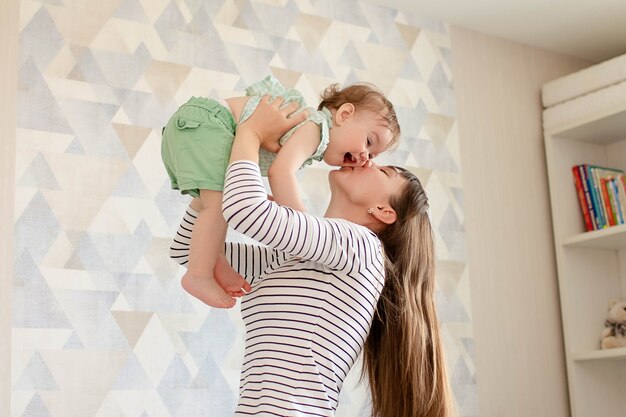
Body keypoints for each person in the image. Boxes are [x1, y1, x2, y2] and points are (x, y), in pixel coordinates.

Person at [170, 97, 456, 417]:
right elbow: (188, 251)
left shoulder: (362, 249)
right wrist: (213, 186)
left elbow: (245, 210)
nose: (366, 160)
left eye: (382, 168)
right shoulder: (290, 261)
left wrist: (250, 132)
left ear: (384, 211)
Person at [162, 75, 400, 309]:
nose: (365, 159)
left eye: (373, 155)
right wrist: (301, 224)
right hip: (210, 124)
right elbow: (281, 173)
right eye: (369, 142)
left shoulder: (357, 250)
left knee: (216, 202)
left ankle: (213, 258)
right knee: (218, 205)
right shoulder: (316, 128)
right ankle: (199, 275)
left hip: (199, 125)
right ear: (345, 115)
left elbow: (184, 247)